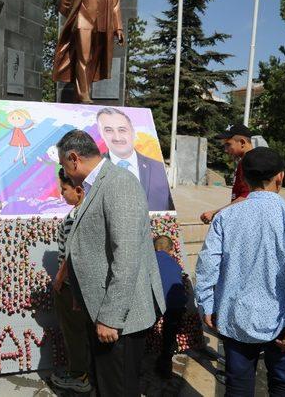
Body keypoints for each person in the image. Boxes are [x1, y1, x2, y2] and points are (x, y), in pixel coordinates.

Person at [195, 147, 285, 396]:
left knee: (237, 386)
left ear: (243, 179)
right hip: (283, 322)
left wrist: (206, 305)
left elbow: (207, 265)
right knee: (283, 386)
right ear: (281, 177)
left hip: (235, 318)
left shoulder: (225, 218)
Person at [56, 130, 165, 396]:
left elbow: (126, 254)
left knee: (118, 389)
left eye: (63, 165)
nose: (65, 173)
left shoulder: (119, 183)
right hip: (101, 311)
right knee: (106, 386)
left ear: (73, 159)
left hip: (119, 320)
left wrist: (111, 318)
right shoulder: (99, 184)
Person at [53, 0, 124, 103]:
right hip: (82, 22)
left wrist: (118, 27)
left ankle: (80, 93)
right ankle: (83, 94)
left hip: (103, 24)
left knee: (93, 60)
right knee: (84, 58)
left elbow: (115, 4)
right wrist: (74, 17)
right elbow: (63, 2)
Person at [50, 168, 91, 393]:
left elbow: (72, 253)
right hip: (80, 285)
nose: (62, 194)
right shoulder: (85, 212)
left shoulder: (75, 216)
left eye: (64, 189)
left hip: (70, 286)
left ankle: (79, 375)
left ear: (78, 190)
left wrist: (59, 279)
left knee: (73, 332)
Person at [96, 108, 175, 211]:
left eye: (122, 130)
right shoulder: (93, 168)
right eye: (108, 130)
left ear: (133, 132)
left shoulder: (158, 168)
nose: (117, 137)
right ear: (101, 134)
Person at [200, 124, 254, 224]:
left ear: (242, 142)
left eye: (228, 144)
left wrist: (215, 212)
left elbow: (246, 197)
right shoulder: (246, 161)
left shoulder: (249, 162)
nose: (225, 150)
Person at [153, 236, 188, 379]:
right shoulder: (175, 264)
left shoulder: (151, 260)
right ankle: (166, 366)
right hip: (177, 304)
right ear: (171, 250)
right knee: (169, 334)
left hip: (156, 302)